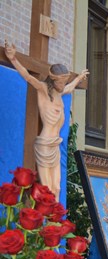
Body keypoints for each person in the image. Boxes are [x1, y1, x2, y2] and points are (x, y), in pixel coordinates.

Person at [5, 41, 89, 200]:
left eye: (64, 82)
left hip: (55, 145)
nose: (62, 85)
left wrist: (79, 78)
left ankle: (55, 223)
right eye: (60, 82)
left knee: (57, 186)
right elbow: (28, 77)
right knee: (47, 188)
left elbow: (70, 88)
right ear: (52, 79)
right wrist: (13, 59)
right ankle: (47, 223)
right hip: (44, 145)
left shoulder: (60, 92)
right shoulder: (43, 89)